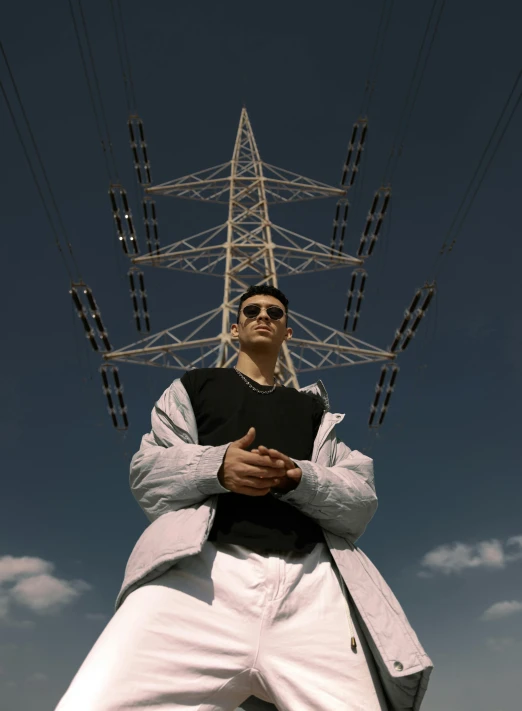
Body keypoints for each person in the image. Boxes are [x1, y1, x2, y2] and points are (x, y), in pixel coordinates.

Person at [55, 284, 432, 711]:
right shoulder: (194, 388)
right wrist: (215, 466)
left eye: (275, 313)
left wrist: (298, 478)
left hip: (312, 590)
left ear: (288, 333)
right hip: (197, 578)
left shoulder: (316, 413)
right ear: (235, 329)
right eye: (251, 310)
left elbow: (361, 500)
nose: (263, 317)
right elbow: (146, 473)